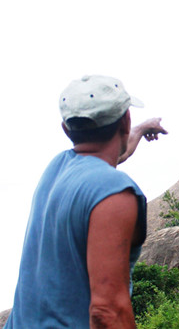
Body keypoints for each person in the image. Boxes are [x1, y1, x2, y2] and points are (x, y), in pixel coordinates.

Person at [4, 75, 167, 328]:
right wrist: (133, 128)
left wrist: (142, 128)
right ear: (125, 119)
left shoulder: (57, 167)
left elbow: (108, 156)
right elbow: (107, 311)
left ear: (66, 129)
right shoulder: (115, 194)